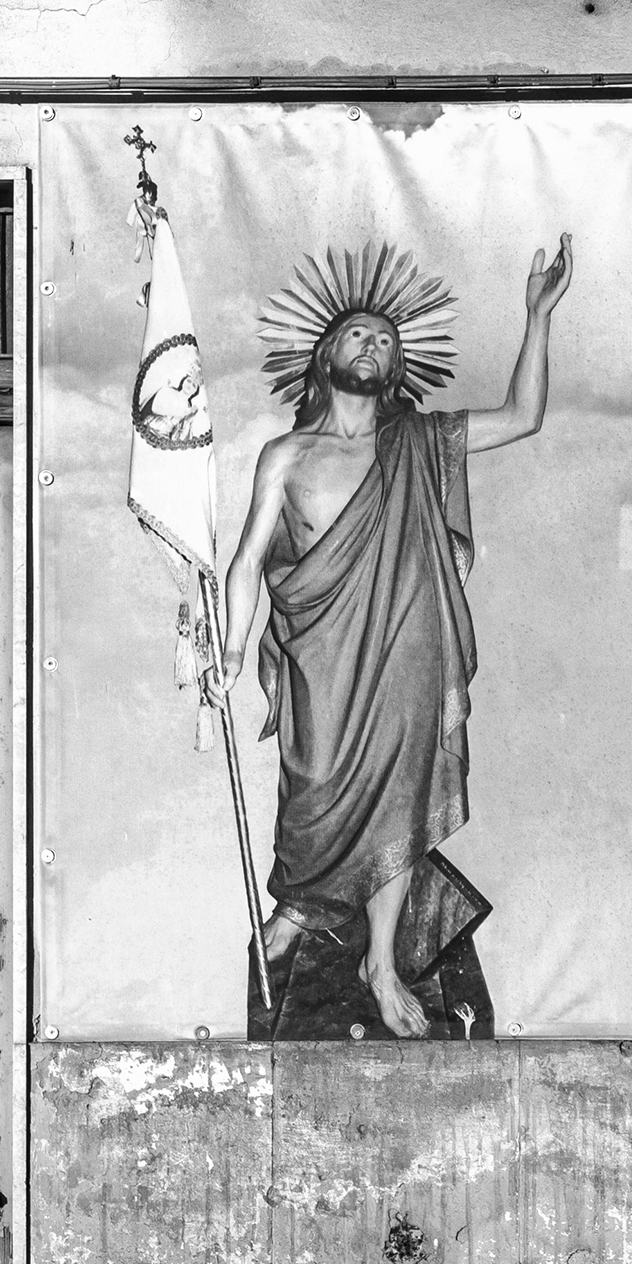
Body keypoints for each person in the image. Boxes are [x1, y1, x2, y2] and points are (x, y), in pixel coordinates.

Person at [218, 237, 572, 1038]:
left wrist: (538, 317)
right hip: (321, 655)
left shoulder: (419, 441)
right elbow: (247, 560)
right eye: (357, 334)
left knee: (400, 801)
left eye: (385, 338)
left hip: (409, 647)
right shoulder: (288, 454)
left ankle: (380, 962)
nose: (372, 345)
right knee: (314, 788)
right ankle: (302, 906)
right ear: (326, 357)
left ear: (397, 364)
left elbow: (523, 417)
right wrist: (232, 651)